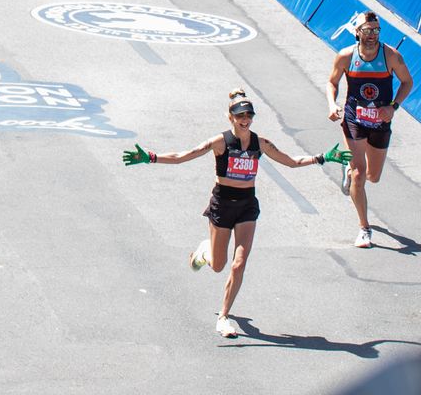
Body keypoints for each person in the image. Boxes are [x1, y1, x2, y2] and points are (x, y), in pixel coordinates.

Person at [121, 89, 350, 339]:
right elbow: (183, 156)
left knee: (239, 263)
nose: (245, 119)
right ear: (230, 117)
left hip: (246, 206)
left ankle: (224, 316)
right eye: (240, 115)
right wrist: (151, 157)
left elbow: (290, 161)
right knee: (218, 266)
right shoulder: (220, 142)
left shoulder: (260, 143)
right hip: (222, 204)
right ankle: (205, 252)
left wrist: (322, 157)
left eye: (249, 115)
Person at [325, 11, 414, 248]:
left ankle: (350, 168)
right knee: (359, 173)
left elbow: (408, 82)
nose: (372, 35)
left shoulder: (391, 56)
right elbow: (332, 82)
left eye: (376, 30)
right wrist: (332, 104)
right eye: (367, 30)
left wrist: (393, 106)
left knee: (373, 176)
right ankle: (364, 228)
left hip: (380, 123)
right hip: (354, 120)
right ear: (357, 32)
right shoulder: (345, 57)